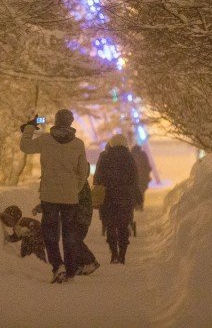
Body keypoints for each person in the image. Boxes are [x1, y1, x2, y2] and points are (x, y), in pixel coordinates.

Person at [19, 108, 89, 283]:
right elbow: (83, 172)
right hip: (70, 197)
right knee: (69, 234)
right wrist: (75, 189)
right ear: (70, 122)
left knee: (50, 233)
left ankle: (58, 267)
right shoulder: (78, 144)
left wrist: (29, 127)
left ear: (56, 121)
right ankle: (71, 271)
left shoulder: (45, 140)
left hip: (49, 195)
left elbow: (25, 146)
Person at [94, 133, 142, 264]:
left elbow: (98, 177)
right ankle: (122, 254)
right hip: (125, 198)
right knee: (123, 226)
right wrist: (137, 198)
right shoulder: (129, 158)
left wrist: (97, 191)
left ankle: (114, 253)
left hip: (108, 198)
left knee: (110, 225)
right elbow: (134, 180)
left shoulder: (104, 157)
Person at [130, 144, 152, 210]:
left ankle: (136, 205)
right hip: (143, 178)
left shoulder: (131, 155)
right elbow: (148, 166)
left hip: (134, 178)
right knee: (141, 192)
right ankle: (140, 205)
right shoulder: (143, 154)